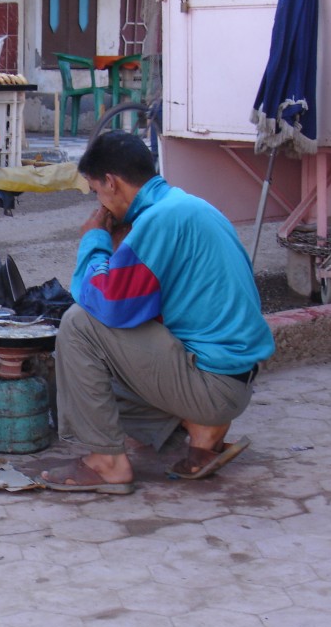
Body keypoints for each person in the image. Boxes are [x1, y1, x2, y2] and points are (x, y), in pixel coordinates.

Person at [39, 131, 275, 494]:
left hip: (212, 386)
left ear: (111, 183)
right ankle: (199, 429)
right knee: (90, 382)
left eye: (97, 192)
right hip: (232, 380)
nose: (100, 203)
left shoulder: (160, 220)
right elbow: (145, 307)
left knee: (79, 324)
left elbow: (107, 306)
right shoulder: (185, 206)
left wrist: (94, 240)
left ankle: (107, 464)